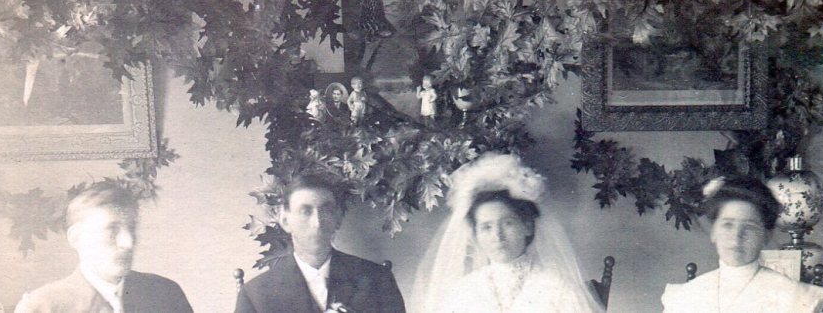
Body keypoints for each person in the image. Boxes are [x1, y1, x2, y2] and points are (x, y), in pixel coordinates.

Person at [412, 153, 604, 313]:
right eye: (486, 227)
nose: (498, 236)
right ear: (475, 235)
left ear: (527, 226)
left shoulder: (557, 288)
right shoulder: (463, 290)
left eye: (508, 223)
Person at [235, 172, 405, 313]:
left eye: (326, 210)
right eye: (305, 211)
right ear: (285, 221)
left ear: (338, 218)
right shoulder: (256, 295)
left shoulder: (377, 280)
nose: (317, 222)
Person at [15, 182, 192, 313]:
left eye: (131, 228)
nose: (128, 242)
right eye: (111, 230)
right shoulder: (42, 307)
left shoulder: (165, 293)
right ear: (76, 238)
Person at [661, 176, 823, 313]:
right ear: (714, 231)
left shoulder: (796, 298)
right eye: (728, 225)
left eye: (749, 227)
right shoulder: (684, 296)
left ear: (766, 235)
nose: (737, 236)